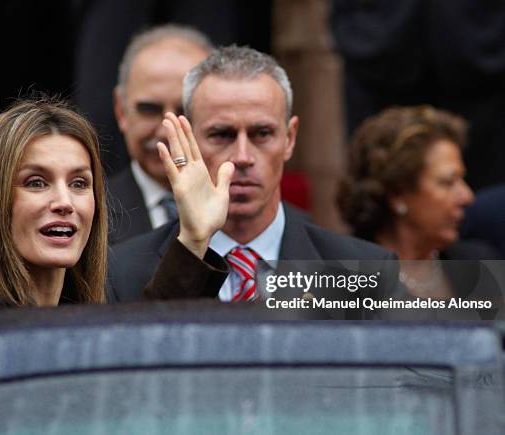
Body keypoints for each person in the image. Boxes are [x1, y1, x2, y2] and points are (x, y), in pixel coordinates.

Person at [108, 45, 400, 315]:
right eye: (221, 134)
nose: (243, 156)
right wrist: (190, 253)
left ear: (290, 138)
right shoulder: (123, 271)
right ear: (189, 139)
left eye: (262, 134)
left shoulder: (363, 273)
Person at [0, 97, 234, 313]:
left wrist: (194, 236)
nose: (65, 202)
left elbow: (140, 354)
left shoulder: (83, 306)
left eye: (79, 183)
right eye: (36, 182)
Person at [338, 105, 500, 300]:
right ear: (397, 193)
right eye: (448, 183)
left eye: (462, 180)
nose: (467, 196)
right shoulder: (343, 278)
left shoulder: (481, 263)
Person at [108, 25, 212, 244]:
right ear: (121, 110)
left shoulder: (246, 211)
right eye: (149, 110)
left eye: (185, 112)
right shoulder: (89, 212)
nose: (167, 130)